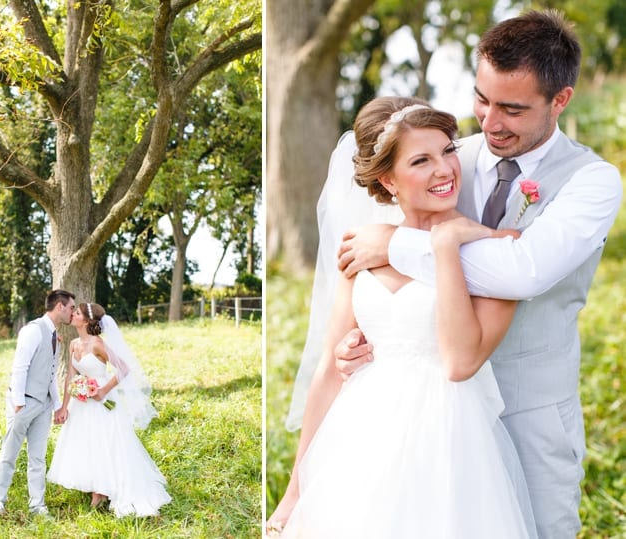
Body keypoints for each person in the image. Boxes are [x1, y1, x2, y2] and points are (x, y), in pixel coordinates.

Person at [289, 10, 623, 539]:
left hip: (529, 412)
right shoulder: (447, 156)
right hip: (409, 424)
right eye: (482, 99)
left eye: (511, 109)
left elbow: (522, 270)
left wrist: (396, 245)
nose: (489, 123)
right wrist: (365, 338)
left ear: (560, 100)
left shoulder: (593, 181)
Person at [267, 97, 537, 538]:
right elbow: (328, 374)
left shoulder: (491, 251)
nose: (445, 169)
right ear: (388, 180)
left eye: (448, 150)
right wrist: (295, 489)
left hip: (448, 438)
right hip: (362, 436)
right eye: (421, 160)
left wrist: (448, 244)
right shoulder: (362, 250)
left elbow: (461, 361)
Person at [47, 302, 171, 517]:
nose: (72, 315)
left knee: (104, 441)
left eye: (76, 313)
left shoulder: (97, 344)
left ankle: (101, 491)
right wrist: (64, 406)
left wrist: (103, 390)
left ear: (86, 320)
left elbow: (123, 368)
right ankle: (95, 485)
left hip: (102, 402)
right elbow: (70, 376)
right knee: (86, 443)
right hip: (82, 403)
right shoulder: (74, 343)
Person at [0, 289, 76, 516]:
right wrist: (18, 404)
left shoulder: (55, 336)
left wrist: (57, 404)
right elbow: (20, 367)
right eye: (71, 308)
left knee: (37, 457)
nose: (73, 313)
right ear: (60, 306)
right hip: (24, 403)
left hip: (44, 405)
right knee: (9, 453)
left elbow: (50, 375)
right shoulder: (32, 331)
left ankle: (37, 504)